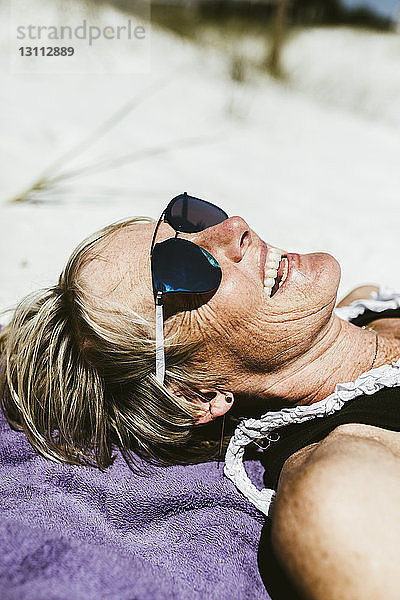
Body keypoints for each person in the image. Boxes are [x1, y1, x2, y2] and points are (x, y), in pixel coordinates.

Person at [1, 193, 400, 599]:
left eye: (189, 222)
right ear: (194, 394)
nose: (235, 226)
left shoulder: (365, 304)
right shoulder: (341, 492)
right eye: (182, 267)